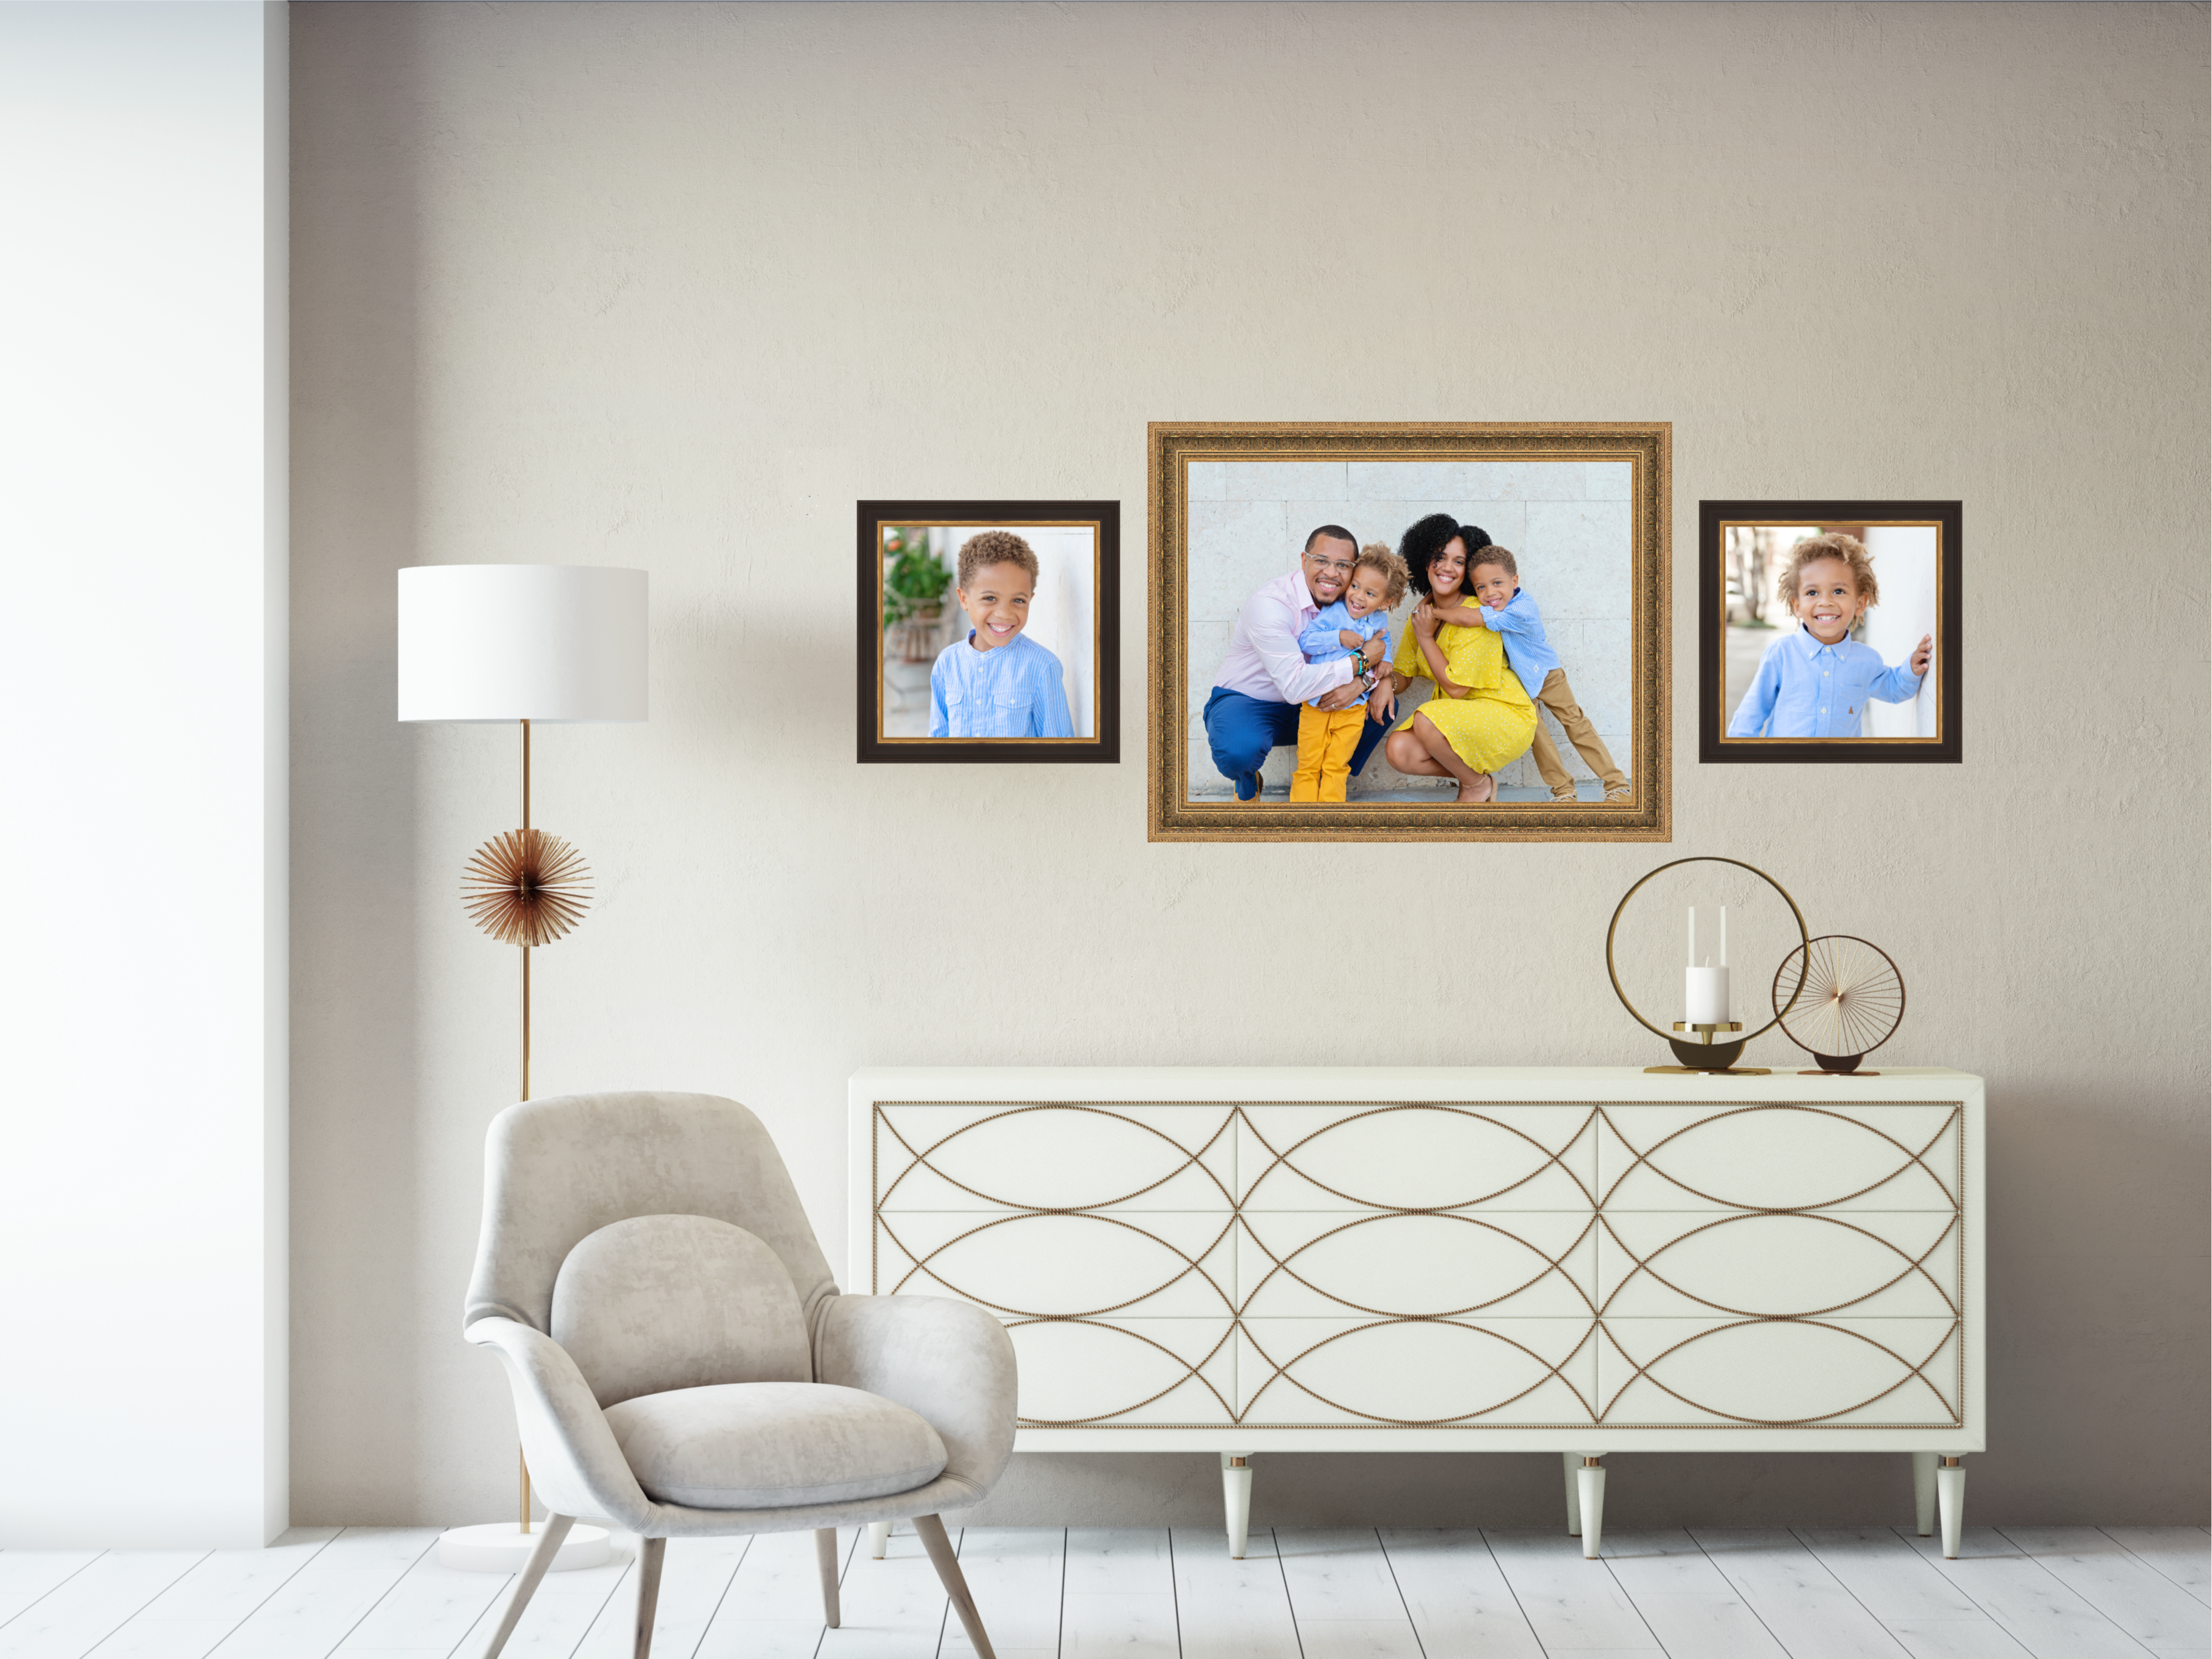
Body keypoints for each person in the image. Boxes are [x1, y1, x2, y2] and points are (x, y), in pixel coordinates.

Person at [1419, 543, 1632, 802]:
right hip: (1522, 684)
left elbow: (1467, 618)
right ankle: (1564, 792)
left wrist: (1434, 612)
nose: (1490, 593)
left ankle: (1617, 786)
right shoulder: (1496, 608)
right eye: (1481, 588)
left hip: (1547, 676)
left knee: (1576, 724)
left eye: (1498, 583)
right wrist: (1428, 598)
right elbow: (1469, 613)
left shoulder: (1521, 609)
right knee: (1539, 738)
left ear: (1515, 581)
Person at [1203, 525, 1391, 800]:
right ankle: (1247, 782)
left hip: (1313, 703)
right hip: (1251, 703)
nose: (1331, 572)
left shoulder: (1354, 600)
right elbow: (1294, 686)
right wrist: (1360, 663)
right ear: (1304, 561)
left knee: (1384, 706)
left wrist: (1370, 682)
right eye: (1321, 561)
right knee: (1237, 752)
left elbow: (1380, 646)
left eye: (1343, 565)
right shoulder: (1272, 604)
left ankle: (1331, 777)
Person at [1376, 515, 1537, 803]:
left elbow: (1456, 689)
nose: (1447, 567)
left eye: (1459, 562)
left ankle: (1475, 787)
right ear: (1425, 561)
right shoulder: (1422, 614)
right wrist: (1385, 683)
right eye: (1439, 557)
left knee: (1426, 719)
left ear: (1468, 572)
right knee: (1399, 750)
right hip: (1452, 720)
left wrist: (1426, 637)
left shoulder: (1478, 615)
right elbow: (1404, 673)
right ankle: (1477, 780)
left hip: (1504, 713)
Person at [1727, 532, 1930, 738]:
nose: (1826, 602)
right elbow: (1749, 716)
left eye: (1839, 591)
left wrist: (1911, 670)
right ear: (1796, 605)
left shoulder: (1866, 660)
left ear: (1860, 603)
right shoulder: (1781, 655)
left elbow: (1893, 687)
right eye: (1812, 593)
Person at [1289, 544, 1408, 802]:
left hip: (1353, 709)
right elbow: (1305, 641)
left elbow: (1383, 644)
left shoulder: (1379, 622)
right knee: (1309, 764)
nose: (1358, 597)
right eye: (1355, 586)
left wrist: (1385, 663)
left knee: (1336, 766)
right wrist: (1338, 638)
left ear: (1386, 602)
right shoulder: (1334, 613)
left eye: (1370, 593)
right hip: (1316, 704)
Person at [928, 530, 1075, 738]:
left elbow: (1060, 752)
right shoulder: (946, 664)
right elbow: (938, 739)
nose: (1005, 614)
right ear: (964, 599)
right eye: (990, 598)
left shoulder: (1043, 667)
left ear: (1030, 600)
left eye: (1018, 601)